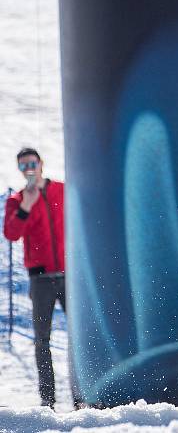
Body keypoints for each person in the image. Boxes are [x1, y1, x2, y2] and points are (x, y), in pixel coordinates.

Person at [3, 148, 67, 409]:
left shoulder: (61, 190)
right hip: (40, 280)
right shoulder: (17, 201)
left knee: (80, 336)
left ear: (41, 163)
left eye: (32, 163)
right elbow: (11, 233)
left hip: (68, 275)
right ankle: (48, 401)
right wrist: (26, 207)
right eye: (23, 165)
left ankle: (83, 395)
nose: (29, 168)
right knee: (42, 340)